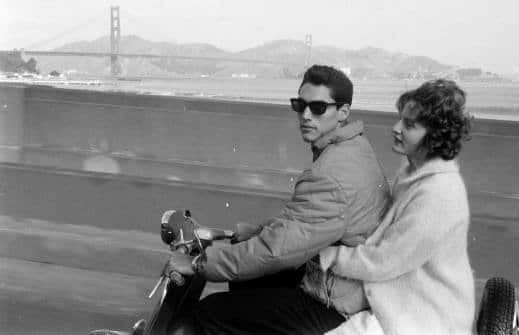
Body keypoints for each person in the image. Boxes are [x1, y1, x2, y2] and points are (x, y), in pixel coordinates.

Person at [166, 64, 391, 334]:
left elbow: (276, 251)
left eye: (318, 108)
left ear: (343, 112)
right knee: (248, 281)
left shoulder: (331, 174)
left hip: (338, 305)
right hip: (350, 283)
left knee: (209, 313)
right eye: (300, 105)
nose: (306, 115)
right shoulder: (354, 147)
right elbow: (306, 223)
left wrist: (197, 264)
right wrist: (256, 232)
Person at [320, 79, 476, 335]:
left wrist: (331, 257)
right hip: (404, 301)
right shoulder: (413, 174)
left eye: (409, 125)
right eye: (400, 119)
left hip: (425, 317)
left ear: (435, 136)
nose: (396, 128)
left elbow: (386, 260)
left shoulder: (438, 194)